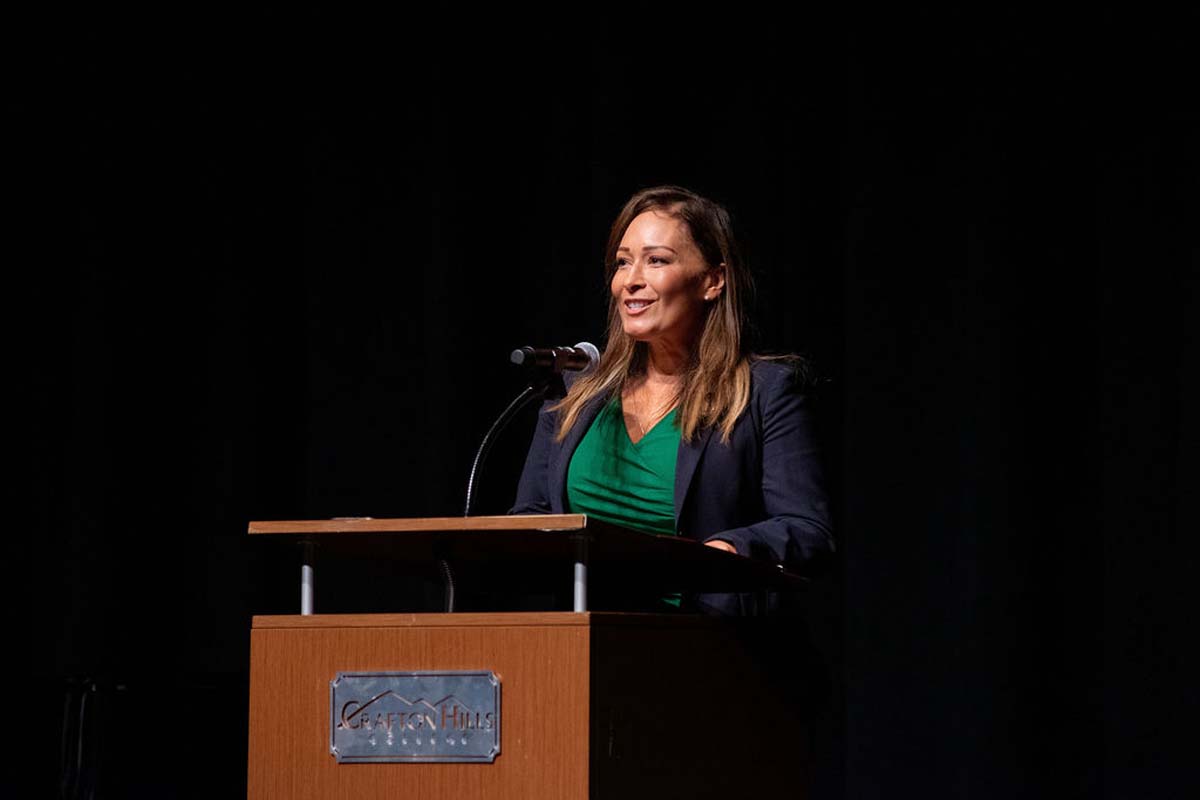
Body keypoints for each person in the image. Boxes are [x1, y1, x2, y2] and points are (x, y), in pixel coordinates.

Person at [509, 185, 834, 615]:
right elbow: (531, 520)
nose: (631, 280)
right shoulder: (574, 392)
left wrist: (726, 549)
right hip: (582, 648)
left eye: (656, 260)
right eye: (623, 263)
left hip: (707, 647)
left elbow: (808, 530)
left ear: (713, 281)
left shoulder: (764, 391)